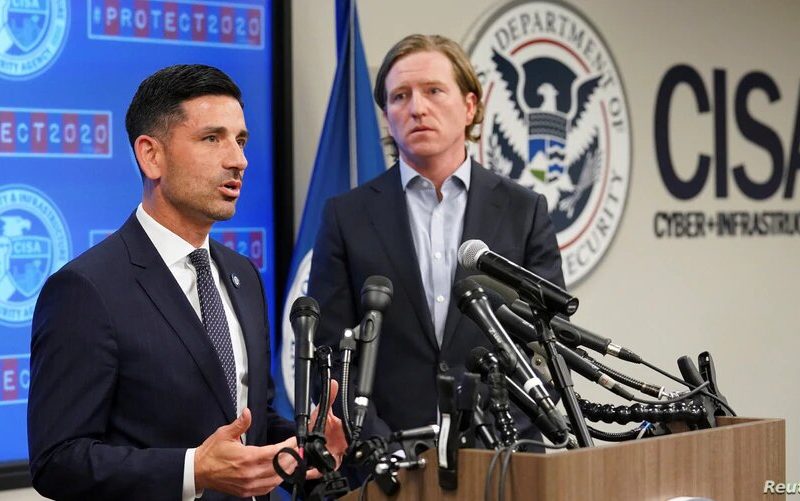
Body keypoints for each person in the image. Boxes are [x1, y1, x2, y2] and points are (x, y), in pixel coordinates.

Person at [28, 64, 345, 501]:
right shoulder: (86, 289)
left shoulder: (243, 275)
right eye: (212, 138)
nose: (238, 159)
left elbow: (249, 416)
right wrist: (192, 470)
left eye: (241, 140)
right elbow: (58, 460)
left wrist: (303, 444)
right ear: (150, 155)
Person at [308, 35, 565, 445]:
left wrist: (501, 439)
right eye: (400, 96)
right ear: (387, 115)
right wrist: (377, 445)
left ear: (469, 106)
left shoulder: (524, 210)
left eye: (433, 91)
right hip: (385, 461)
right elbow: (331, 353)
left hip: (506, 455)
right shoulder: (346, 216)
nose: (417, 108)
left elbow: (546, 345)